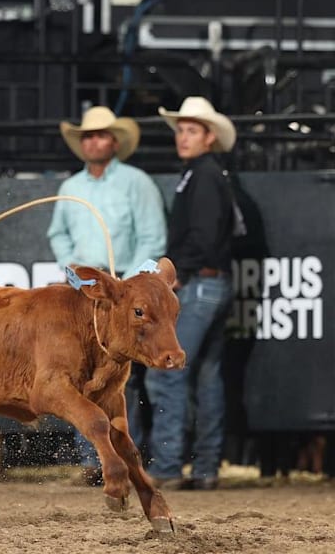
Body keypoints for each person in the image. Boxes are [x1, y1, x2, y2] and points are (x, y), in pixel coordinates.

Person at [47, 105, 166, 485]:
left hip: (126, 289)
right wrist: (74, 269)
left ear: (114, 142)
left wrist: (129, 286)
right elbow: (58, 233)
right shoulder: (71, 188)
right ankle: (97, 458)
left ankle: (133, 455)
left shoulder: (137, 183)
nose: (93, 141)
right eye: (87, 136)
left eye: (99, 135)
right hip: (86, 291)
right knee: (86, 373)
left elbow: (152, 235)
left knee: (124, 377)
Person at [145, 96, 237, 491]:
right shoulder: (205, 174)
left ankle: (167, 466)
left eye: (191, 131)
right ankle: (205, 466)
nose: (183, 137)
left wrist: (176, 274)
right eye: (180, 130)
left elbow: (201, 235)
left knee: (167, 372)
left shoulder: (203, 176)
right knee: (206, 378)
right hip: (211, 283)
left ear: (209, 136)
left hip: (199, 284)